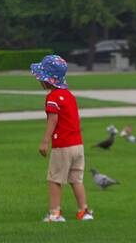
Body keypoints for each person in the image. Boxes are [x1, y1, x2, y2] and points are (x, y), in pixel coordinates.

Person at [30, 55, 93, 222]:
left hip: (62, 145)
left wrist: (45, 141)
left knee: (55, 179)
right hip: (77, 145)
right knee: (76, 179)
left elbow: (53, 119)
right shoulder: (69, 96)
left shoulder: (53, 97)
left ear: (48, 80)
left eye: (41, 77)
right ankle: (84, 211)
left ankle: (55, 213)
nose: (39, 81)